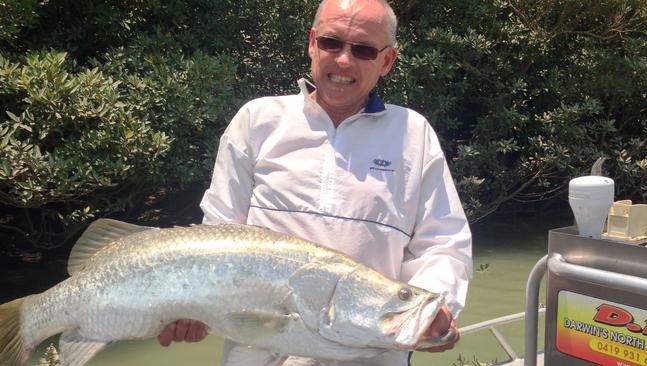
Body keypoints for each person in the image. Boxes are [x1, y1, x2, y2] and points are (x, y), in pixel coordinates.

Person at [158, 0, 472, 364]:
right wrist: (190, 306)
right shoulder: (258, 120)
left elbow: (443, 244)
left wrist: (435, 305)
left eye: (364, 50)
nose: (343, 60)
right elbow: (216, 235)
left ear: (386, 61)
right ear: (311, 43)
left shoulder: (413, 135)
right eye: (331, 43)